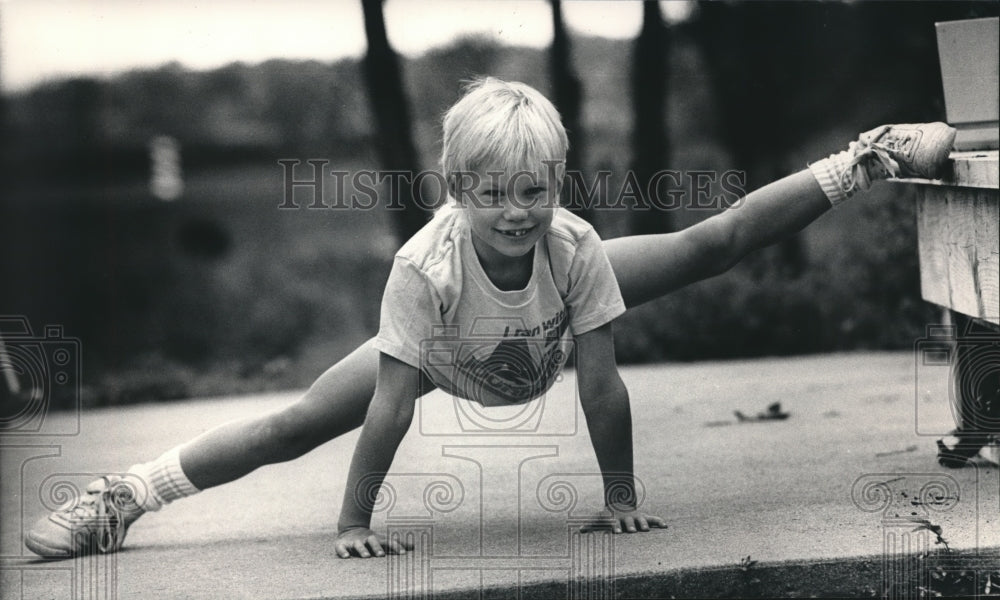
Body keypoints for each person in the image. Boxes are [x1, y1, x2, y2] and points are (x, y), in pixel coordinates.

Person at [25, 77, 957, 559]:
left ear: (557, 183)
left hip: (546, 330)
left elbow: (600, 380)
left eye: (534, 190)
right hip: (443, 350)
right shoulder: (422, 268)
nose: (516, 211)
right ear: (457, 190)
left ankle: (866, 157)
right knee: (293, 423)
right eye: (494, 194)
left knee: (711, 244)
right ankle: (125, 497)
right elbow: (391, 406)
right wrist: (353, 522)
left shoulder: (571, 245)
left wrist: (621, 497)